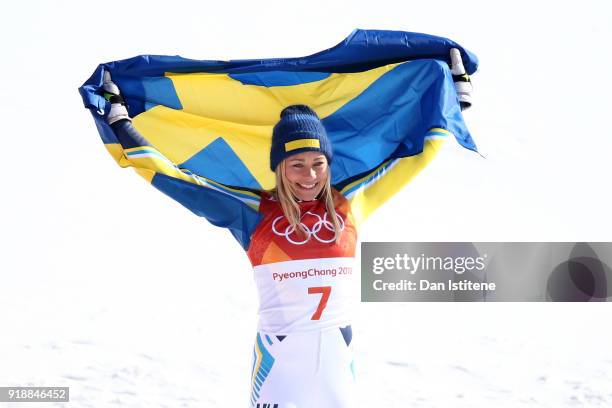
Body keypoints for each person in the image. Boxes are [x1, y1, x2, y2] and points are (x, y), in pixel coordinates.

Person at [100, 48, 472, 408]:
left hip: (337, 365)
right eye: (296, 164)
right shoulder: (253, 213)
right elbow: (178, 180)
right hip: (279, 364)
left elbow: (422, 153)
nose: (309, 175)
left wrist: (453, 96)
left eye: (317, 163)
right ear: (279, 167)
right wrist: (120, 124)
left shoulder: (352, 204)